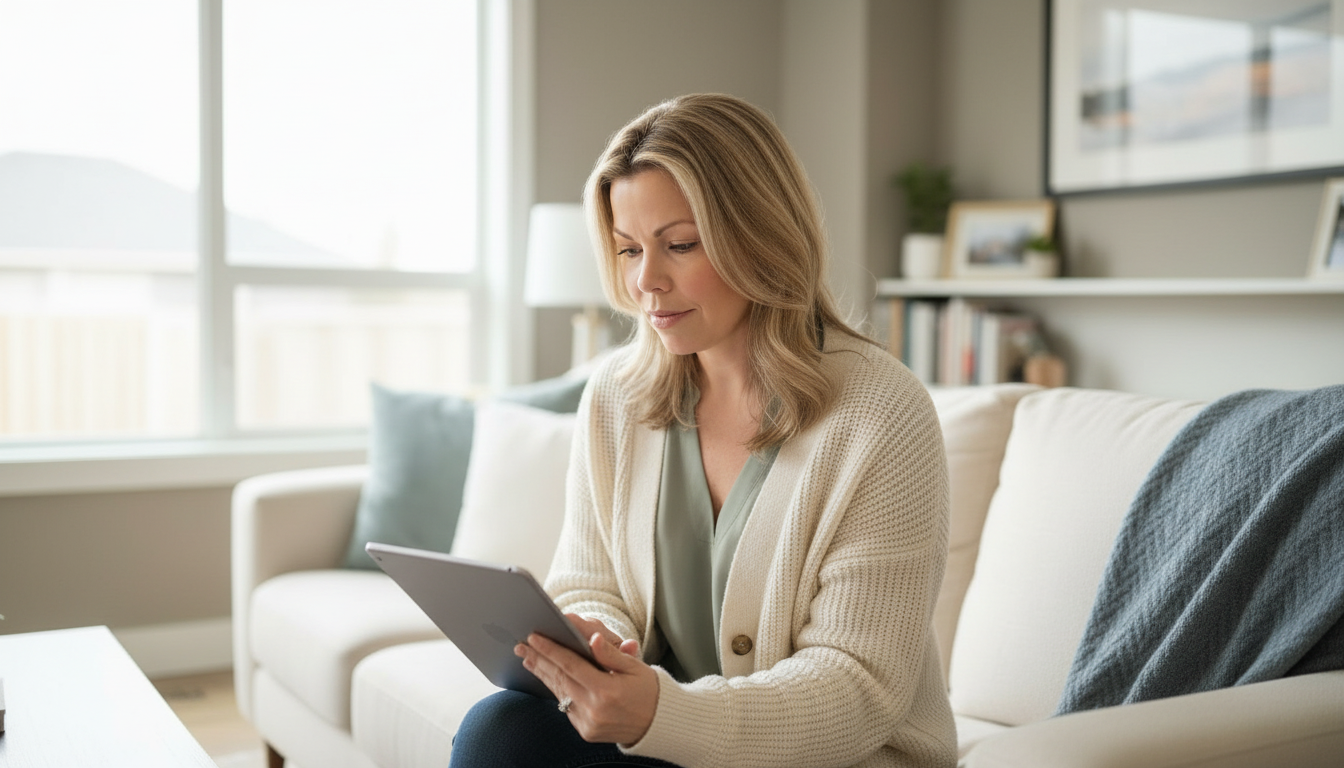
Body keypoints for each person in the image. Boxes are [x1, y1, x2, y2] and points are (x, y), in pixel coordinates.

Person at [450, 93, 955, 768]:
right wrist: (599, 642)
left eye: (680, 245)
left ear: (762, 235)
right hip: (666, 740)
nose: (646, 282)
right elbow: (590, 582)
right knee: (502, 729)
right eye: (628, 250)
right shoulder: (615, 395)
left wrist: (663, 712)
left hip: (831, 755)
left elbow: (857, 688)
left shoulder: (882, 413)